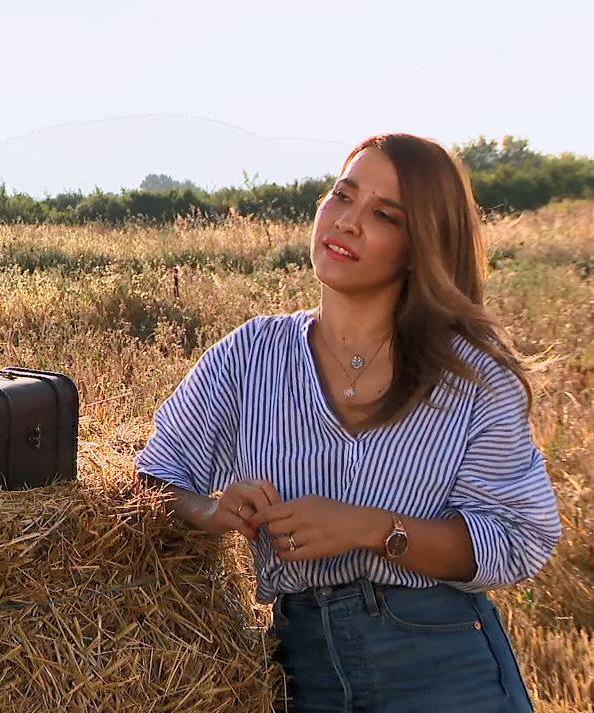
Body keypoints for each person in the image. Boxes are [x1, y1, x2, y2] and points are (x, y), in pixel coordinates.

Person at [136, 134, 561, 712]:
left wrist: (373, 529)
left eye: (384, 215)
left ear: (421, 246)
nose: (349, 222)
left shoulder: (472, 378)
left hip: (441, 667)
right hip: (303, 668)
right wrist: (211, 510)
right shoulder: (252, 354)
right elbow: (156, 476)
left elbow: (519, 540)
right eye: (342, 196)